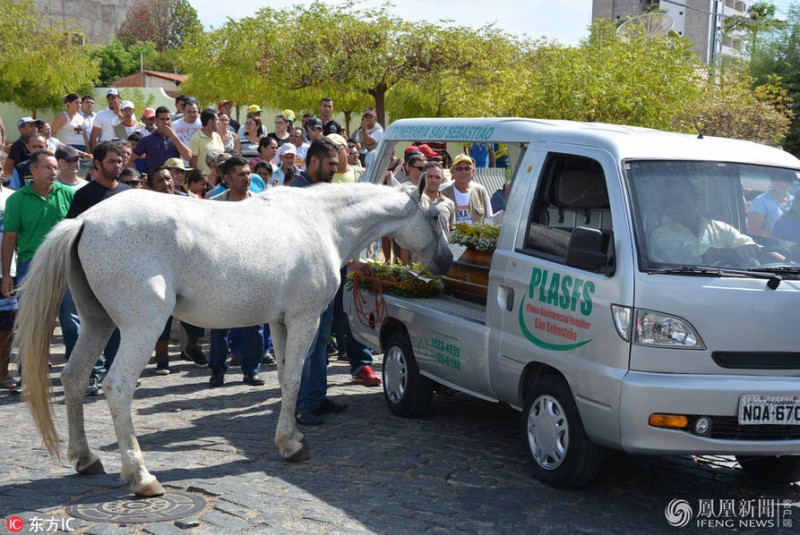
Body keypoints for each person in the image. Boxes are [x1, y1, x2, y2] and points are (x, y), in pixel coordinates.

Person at [2, 151, 80, 392]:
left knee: (73, 324)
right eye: (47, 167)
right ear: (32, 170)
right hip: (31, 266)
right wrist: (7, 274)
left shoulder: (70, 194)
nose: (53, 172)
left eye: (55, 167)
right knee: (34, 325)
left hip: (67, 265)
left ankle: (78, 375)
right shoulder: (17, 200)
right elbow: (10, 239)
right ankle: (29, 379)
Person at [291, 137, 350, 425]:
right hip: (303, 284)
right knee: (308, 344)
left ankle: (317, 397)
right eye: (330, 164)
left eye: (337, 166)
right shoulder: (295, 193)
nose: (334, 171)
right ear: (313, 161)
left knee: (323, 340)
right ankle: (300, 404)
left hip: (326, 280)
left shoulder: (326, 192)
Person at [207, 155, 265, 387]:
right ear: (227, 178)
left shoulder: (261, 203)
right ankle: (217, 370)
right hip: (222, 273)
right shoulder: (215, 203)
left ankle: (252, 369)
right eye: (241, 174)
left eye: (248, 173)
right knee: (219, 325)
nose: (247, 178)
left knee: (254, 325)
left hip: (254, 273)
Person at [144, 167, 208, 374]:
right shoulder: (147, 208)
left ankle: (192, 347)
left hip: (187, 266)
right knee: (161, 315)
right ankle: (162, 357)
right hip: (157, 268)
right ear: (152, 185)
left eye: (168, 179)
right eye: (160, 180)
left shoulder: (187, 202)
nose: (166, 183)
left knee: (195, 310)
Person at [650, 180, 781, 266]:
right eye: (667, 204)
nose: (674, 207)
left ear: (695, 198)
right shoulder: (660, 235)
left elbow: (751, 247)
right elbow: (699, 255)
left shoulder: (718, 228)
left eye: (679, 200)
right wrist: (733, 253)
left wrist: (786, 261)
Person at [131, 106, 192, 170]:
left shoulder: (177, 138)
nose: (165, 122)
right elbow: (130, 159)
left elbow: (188, 157)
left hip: (173, 177)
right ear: (156, 121)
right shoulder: (146, 140)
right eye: (162, 119)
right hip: (155, 178)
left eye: (168, 119)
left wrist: (173, 136)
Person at [441, 154, 493, 225]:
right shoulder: (444, 193)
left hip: (476, 235)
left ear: (473, 171)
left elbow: (489, 219)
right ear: (452, 172)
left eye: (467, 168)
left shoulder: (481, 191)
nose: (463, 172)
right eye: (459, 168)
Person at [0, 177, 17, 391]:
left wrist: (7, 273)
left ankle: (3, 373)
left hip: (7, 270)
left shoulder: (12, 197)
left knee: (5, 326)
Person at [420, 161, 456, 239]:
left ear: (442, 180)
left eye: (437, 177)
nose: (433, 180)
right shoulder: (412, 202)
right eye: (429, 176)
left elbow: (452, 233)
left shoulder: (449, 204)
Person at [189, 108, 224, 175]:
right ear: (210, 121)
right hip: (205, 181)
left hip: (219, 179)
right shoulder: (196, 138)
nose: (218, 122)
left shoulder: (217, 136)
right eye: (216, 119)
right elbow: (192, 161)